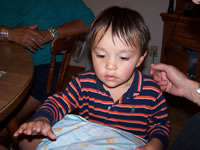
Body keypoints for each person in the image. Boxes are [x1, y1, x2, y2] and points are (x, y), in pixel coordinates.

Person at [14, 6, 170, 150]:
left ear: (140, 59)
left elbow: (160, 125)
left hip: (127, 143)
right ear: (91, 53)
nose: (110, 65)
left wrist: (156, 143)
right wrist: (43, 118)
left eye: (123, 58)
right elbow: (59, 101)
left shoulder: (151, 91)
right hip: (88, 137)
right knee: (25, 142)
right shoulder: (84, 82)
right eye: (101, 55)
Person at [0, 0, 94, 122]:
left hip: (42, 68)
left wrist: (50, 33)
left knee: (5, 118)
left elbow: (89, 21)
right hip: (5, 65)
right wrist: (8, 33)